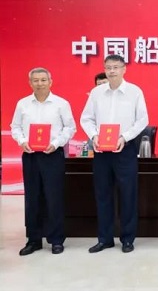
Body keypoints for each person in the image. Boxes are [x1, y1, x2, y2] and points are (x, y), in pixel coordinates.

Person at [80, 54, 148, 254]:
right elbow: (86, 118)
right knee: (103, 195)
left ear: (124, 69)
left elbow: (142, 120)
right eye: (108, 67)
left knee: (128, 194)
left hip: (124, 149)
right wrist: (94, 136)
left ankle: (127, 239)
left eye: (116, 67)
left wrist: (124, 137)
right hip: (101, 150)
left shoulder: (134, 91)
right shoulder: (96, 93)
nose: (112, 71)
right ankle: (105, 239)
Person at [11, 68, 76, 255]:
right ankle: (34, 240)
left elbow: (70, 128)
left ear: (50, 82)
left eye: (43, 80)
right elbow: (15, 127)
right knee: (32, 198)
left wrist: (56, 143)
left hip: (52, 155)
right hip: (30, 155)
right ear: (30, 83)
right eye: (36, 80)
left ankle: (56, 239)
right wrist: (22, 141)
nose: (39, 83)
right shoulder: (23, 104)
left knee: (54, 198)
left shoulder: (61, 104)